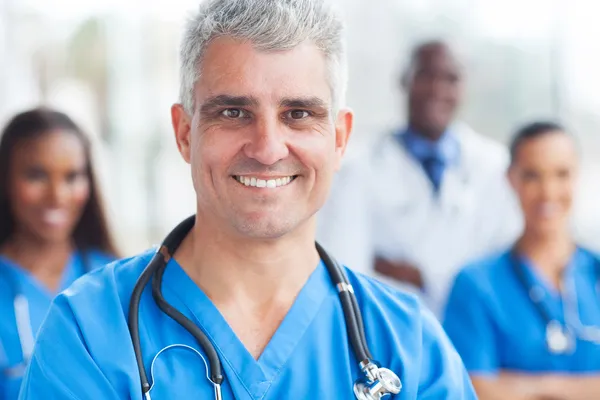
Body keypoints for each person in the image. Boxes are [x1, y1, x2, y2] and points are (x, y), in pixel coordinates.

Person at [18, 1, 476, 399]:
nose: (267, 148)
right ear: (184, 133)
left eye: (298, 114)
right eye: (233, 112)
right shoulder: (91, 333)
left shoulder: (411, 346)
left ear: (339, 139)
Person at [317, 39, 522, 317]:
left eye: (451, 78)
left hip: (477, 330)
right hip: (391, 330)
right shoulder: (358, 167)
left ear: (464, 89)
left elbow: (506, 266)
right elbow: (345, 271)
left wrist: (417, 276)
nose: (437, 89)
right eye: (426, 75)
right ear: (404, 81)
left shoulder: (494, 166)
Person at [443, 122, 600, 400]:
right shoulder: (476, 285)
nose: (548, 192)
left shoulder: (595, 272)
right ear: (511, 179)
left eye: (562, 174)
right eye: (532, 176)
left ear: (578, 176)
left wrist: (533, 387)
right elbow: (473, 390)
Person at [0, 107, 118, 398]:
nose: (57, 196)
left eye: (72, 176)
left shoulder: (118, 283)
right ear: (5, 180)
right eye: (37, 175)